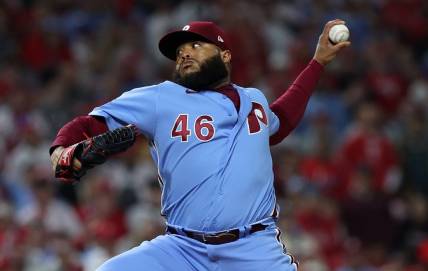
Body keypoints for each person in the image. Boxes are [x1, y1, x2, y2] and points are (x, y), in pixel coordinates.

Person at [50, 20, 350, 271]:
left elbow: (280, 121)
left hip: (254, 250)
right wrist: (60, 150)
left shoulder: (254, 99)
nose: (184, 54)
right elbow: (89, 124)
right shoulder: (160, 99)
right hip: (181, 249)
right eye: (179, 51)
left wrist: (317, 63)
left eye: (196, 46)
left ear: (226, 55)